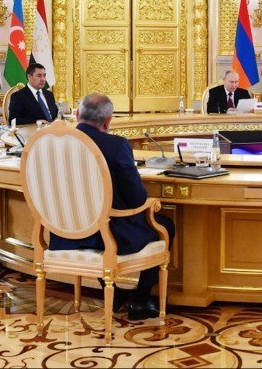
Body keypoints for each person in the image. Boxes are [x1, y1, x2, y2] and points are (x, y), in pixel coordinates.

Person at [48, 93, 174, 321]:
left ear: (77, 114)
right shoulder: (116, 145)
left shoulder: (54, 144)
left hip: (64, 233)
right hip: (108, 236)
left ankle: (115, 294)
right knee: (164, 225)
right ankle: (141, 300)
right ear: (108, 121)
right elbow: (136, 199)